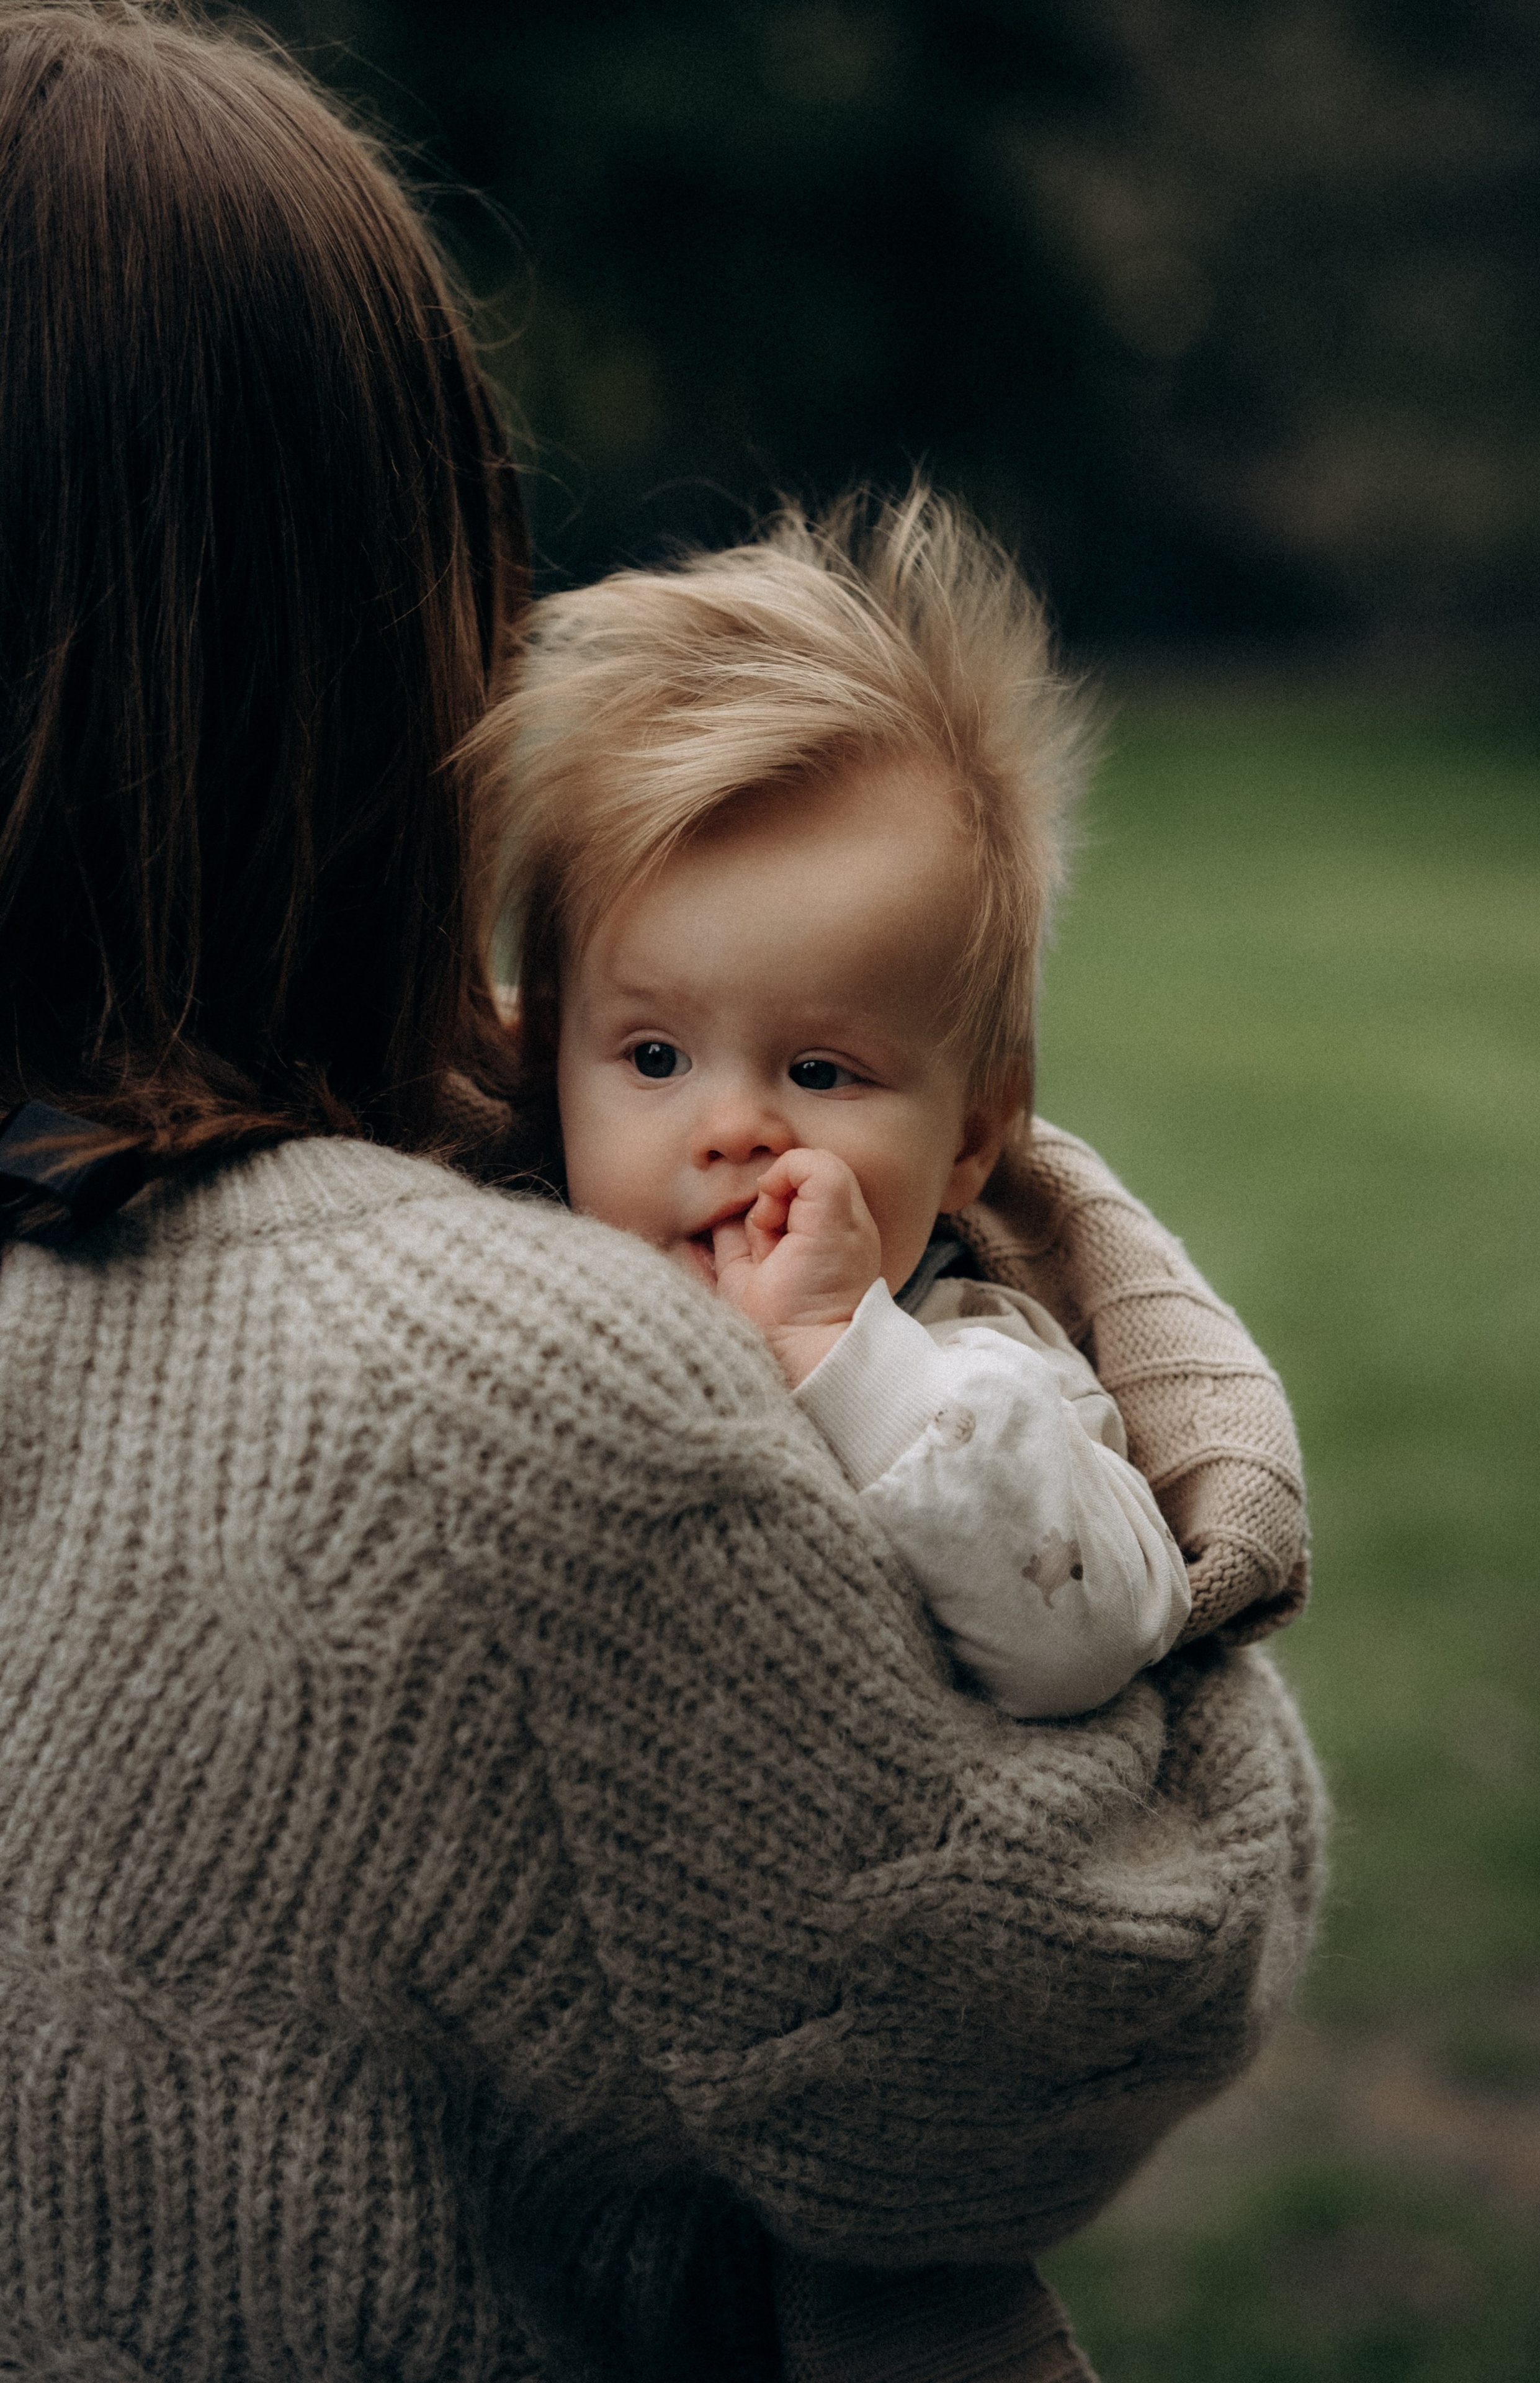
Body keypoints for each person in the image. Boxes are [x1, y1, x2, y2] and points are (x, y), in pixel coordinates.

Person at [0, 9, 1324, 2383]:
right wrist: (1059, 1276)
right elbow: (1075, 2001)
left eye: (819, 1067)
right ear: (382, 604)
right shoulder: (517, 1392)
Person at [496, 487, 1198, 1727]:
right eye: (654, 1057)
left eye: (819, 1073)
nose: (734, 1130)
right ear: (548, 1053)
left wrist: (844, 1353)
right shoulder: (498, 1267)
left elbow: (1089, 1636)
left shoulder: (978, 1368)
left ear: (971, 1137)